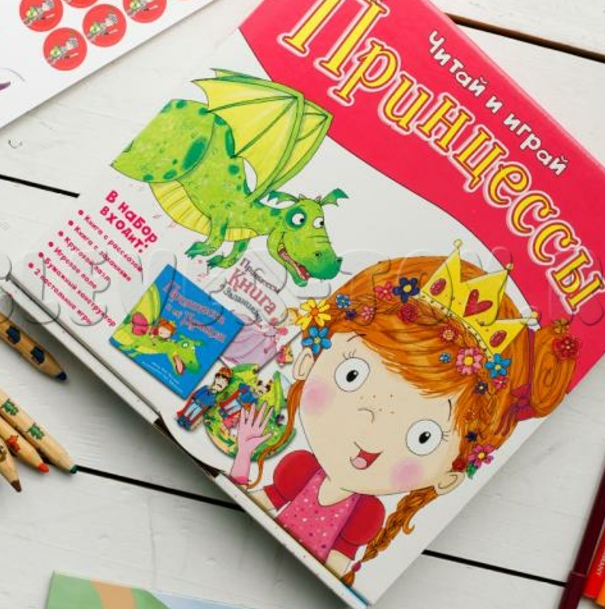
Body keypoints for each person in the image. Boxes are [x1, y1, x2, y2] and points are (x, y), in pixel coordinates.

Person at [229, 247, 577, 583]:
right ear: (308, 361)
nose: (371, 431)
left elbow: (335, 567)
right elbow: (253, 499)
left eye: (423, 437)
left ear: (449, 476)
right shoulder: (299, 468)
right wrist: (243, 454)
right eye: (352, 375)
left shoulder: (366, 515)